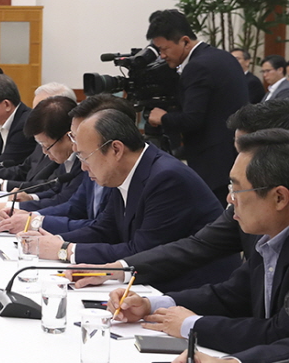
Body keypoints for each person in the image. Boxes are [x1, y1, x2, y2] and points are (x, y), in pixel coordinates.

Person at [69, 99, 289, 290]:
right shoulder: (247, 205)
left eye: (247, 153)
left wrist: (66, 251)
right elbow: (197, 245)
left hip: (194, 287)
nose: (238, 164)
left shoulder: (167, 177)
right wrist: (117, 270)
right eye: (238, 152)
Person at [110, 129, 289, 355]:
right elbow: (231, 296)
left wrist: (191, 325)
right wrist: (150, 304)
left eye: (236, 189)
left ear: (279, 197)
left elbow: (280, 333)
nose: (229, 199)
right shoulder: (265, 236)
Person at [34, 108, 235, 292]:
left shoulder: (167, 178)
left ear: (116, 150)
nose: (84, 168)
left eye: (85, 157)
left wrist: (66, 251)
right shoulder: (125, 171)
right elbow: (105, 229)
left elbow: (141, 249)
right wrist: (58, 241)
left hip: (191, 290)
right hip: (149, 281)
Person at [145, 9, 248, 203]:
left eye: (164, 49)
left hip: (213, 164)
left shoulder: (197, 67)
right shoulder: (223, 57)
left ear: (184, 41)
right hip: (234, 153)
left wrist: (162, 118)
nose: (162, 56)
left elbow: (192, 119)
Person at [0, 94, 135, 235]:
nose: (73, 147)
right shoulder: (90, 161)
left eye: (75, 136)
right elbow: (74, 206)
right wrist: (32, 216)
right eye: (73, 136)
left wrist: (60, 247)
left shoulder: (125, 173)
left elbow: (104, 230)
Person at [0, 84, 76, 192]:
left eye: (43, 110)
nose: (34, 116)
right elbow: (25, 168)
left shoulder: (62, 147)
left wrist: (1, 185)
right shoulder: (44, 137)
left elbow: (50, 186)